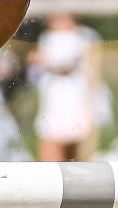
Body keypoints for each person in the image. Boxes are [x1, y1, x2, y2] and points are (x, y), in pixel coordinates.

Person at [25, 10, 106, 162]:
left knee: (78, 150)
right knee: (51, 145)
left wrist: (44, 60)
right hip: (54, 98)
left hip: (76, 97)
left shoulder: (83, 36)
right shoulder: (48, 38)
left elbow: (66, 62)